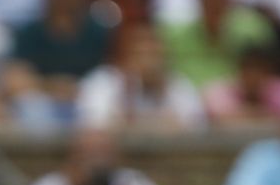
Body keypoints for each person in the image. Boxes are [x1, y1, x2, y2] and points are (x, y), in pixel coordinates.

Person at [3, 0, 116, 128]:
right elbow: (14, 82)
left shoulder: (99, 33)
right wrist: (52, 87)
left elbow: (112, 78)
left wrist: (77, 90)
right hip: (45, 102)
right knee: (30, 106)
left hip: (84, 102)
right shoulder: (29, 33)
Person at [77, 21, 207, 131]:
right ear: (122, 56)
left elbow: (197, 129)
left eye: (153, 53)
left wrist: (160, 93)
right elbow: (94, 127)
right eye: (139, 53)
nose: (148, 61)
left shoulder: (178, 85)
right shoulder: (102, 82)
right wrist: (128, 95)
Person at [26, 125, 166, 185]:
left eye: (102, 152)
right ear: (74, 154)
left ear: (115, 154)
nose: (97, 160)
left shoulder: (133, 181)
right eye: (89, 152)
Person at [158, 0, 277, 90]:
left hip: (236, 104)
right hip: (189, 104)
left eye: (220, 1)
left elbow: (265, 72)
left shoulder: (253, 30)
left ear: (230, 1)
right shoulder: (176, 35)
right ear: (200, 1)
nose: (214, 7)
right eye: (209, 1)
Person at [203, 42, 280, 124]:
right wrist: (265, 114)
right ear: (239, 70)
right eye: (249, 69)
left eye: (260, 70)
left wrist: (245, 115)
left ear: (270, 72)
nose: (254, 76)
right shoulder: (218, 90)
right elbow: (220, 118)